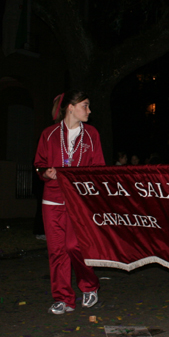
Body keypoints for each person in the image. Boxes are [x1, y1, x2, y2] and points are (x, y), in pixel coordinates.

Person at [34, 90, 104, 315]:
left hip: (78, 200)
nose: (89, 110)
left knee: (75, 246)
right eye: (85, 105)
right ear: (70, 107)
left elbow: (99, 168)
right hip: (52, 200)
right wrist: (47, 172)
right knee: (56, 250)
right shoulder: (48, 134)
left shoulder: (91, 134)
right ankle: (63, 298)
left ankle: (90, 286)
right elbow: (39, 164)